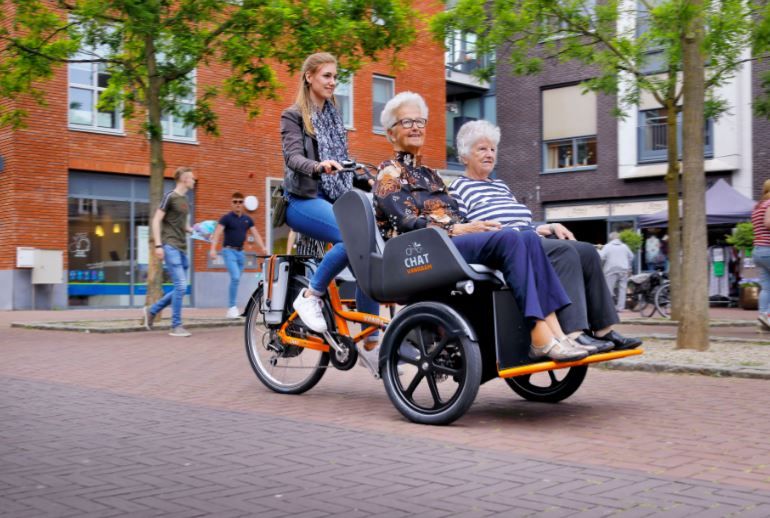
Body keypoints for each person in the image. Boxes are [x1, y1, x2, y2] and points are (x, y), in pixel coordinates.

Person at [373, 92, 587, 362]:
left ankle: (556, 332)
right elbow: (405, 221)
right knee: (509, 238)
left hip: (448, 244)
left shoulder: (432, 175)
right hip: (421, 250)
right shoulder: (388, 172)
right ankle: (539, 333)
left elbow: (456, 214)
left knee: (525, 236)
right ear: (391, 134)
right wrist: (456, 230)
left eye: (420, 121)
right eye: (406, 122)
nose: (416, 126)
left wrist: (471, 226)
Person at [448, 120, 641, 351]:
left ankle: (604, 329)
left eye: (492, 149)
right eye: (482, 149)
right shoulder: (457, 188)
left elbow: (521, 222)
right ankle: (574, 332)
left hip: (528, 237)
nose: (489, 154)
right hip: (506, 247)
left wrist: (546, 226)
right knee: (564, 252)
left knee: (588, 251)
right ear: (465, 155)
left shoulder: (500, 186)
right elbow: (465, 229)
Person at [280, 52, 381, 373]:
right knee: (349, 237)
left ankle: (370, 329)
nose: (333, 82)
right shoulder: (293, 116)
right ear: (309, 76)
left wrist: (368, 177)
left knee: (367, 243)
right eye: (326, 76)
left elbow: (344, 161)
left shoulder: (334, 118)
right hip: (302, 199)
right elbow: (293, 157)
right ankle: (310, 295)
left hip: (334, 197)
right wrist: (318, 166)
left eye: (335, 77)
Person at [143, 166, 196, 337]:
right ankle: (176, 325)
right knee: (181, 286)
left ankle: (152, 310)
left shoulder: (185, 199)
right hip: (170, 245)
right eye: (192, 178)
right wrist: (158, 245)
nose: (194, 180)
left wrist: (196, 230)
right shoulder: (169, 197)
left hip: (182, 247)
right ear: (184, 179)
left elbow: (183, 225)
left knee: (179, 288)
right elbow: (156, 220)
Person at [209, 191, 267, 318]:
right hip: (228, 251)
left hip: (241, 254)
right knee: (235, 277)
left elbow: (255, 234)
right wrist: (213, 249)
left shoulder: (247, 219)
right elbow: (217, 233)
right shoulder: (226, 218)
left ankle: (232, 306)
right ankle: (231, 308)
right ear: (232, 203)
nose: (238, 204)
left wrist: (262, 247)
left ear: (243, 204)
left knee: (236, 279)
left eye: (240, 202)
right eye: (235, 202)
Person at [600, 232, 635, 312]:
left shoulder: (607, 246)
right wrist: (629, 267)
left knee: (609, 289)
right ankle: (620, 308)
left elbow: (601, 257)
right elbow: (631, 256)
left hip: (610, 270)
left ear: (611, 239)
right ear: (619, 239)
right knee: (622, 289)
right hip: (623, 270)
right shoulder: (625, 246)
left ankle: (609, 307)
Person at [751, 179, 770, 330]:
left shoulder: (758, 206)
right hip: (769, 248)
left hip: (758, 250)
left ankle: (762, 317)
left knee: (766, 287)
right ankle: (768, 315)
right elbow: (768, 223)